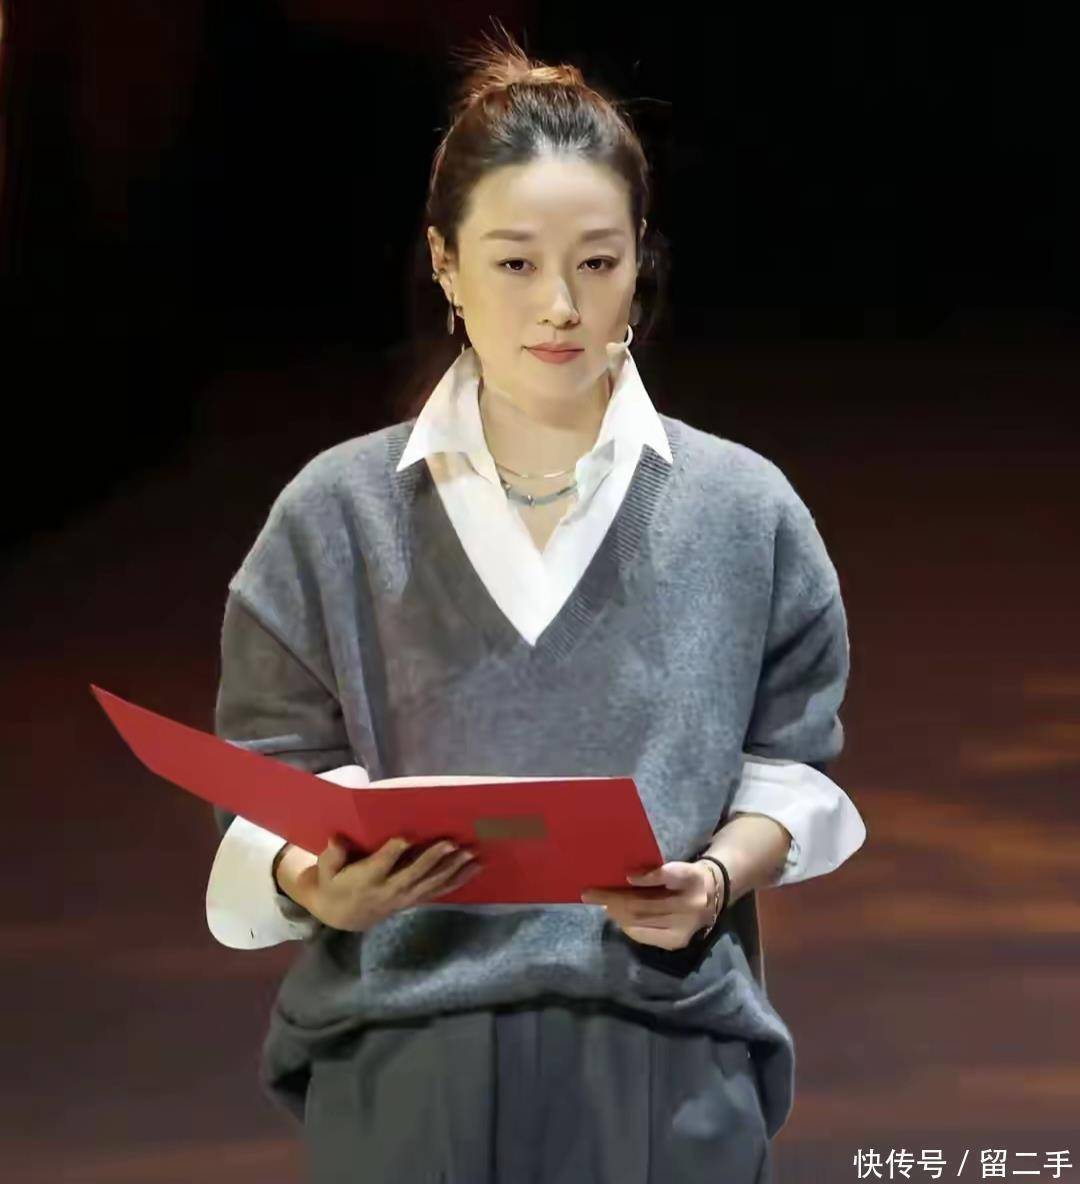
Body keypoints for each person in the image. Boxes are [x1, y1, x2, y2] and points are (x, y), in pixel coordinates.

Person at [206, 22, 866, 1184]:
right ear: (445, 262)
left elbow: (791, 763)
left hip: (665, 1048)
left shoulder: (740, 509)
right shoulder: (336, 512)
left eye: (597, 262)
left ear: (640, 260)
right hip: (406, 1056)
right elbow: (268, 773)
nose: (560, 305)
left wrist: (715, 878)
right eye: (515, 263)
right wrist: (317, 879)